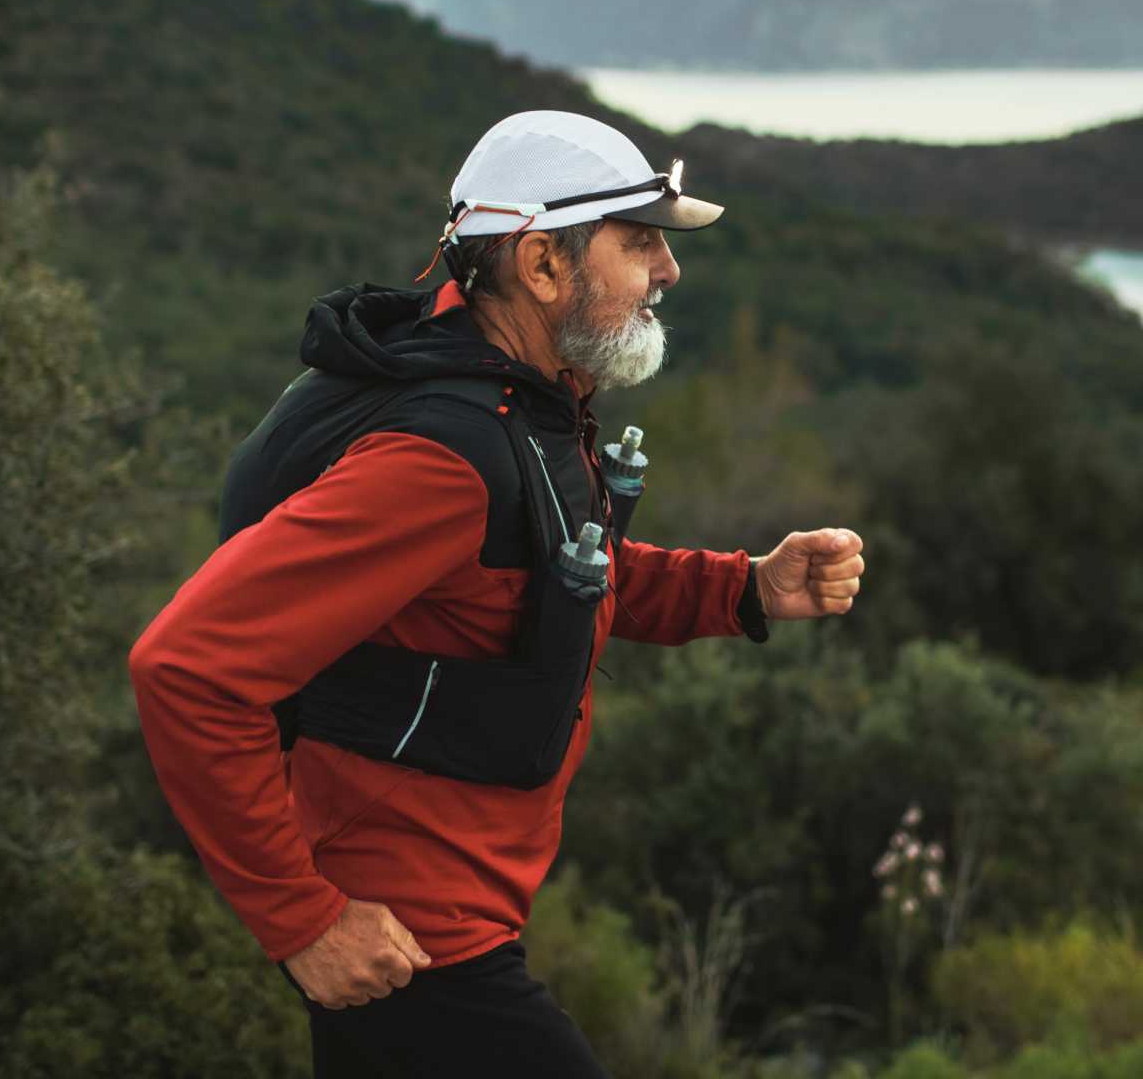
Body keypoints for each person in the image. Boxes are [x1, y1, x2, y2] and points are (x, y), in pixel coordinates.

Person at [129, 111, 864, 1078]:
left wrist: (744, 592)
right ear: (542, 266)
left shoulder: (530, 396)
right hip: (409, 940)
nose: (668, 271)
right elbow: (184, 669)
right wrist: (302, 921)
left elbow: (546, 578)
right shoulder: (443, 459)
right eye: (638, 241)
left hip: (447, 918)